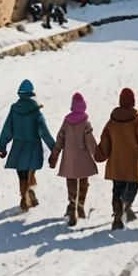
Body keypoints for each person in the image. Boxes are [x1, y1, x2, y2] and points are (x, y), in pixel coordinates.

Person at [95, 87, 138, 230]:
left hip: (116, 164)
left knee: (117, 190)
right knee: (132, 187)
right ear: (132, 102)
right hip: (132, 164)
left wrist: (100, 154)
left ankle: (118, 216)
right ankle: (126, 206)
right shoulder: (136, 122)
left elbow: (105, 144)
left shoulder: (111, 123)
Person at [0, 79, 56, 211]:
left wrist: (2, 147)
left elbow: (7, 129)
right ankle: (30, 191)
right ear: (32, 93)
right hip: (33, 148)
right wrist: (54, 148)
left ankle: (25, 196)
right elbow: (44, 132)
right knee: (31, 171)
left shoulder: (14, 109)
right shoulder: (36, 110)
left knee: (22, 175)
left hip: (19, 148)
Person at [49, 92, 99, 226]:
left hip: (69, 159)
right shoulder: (85, 122)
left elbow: (60, 138)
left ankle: (72, 206)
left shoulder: (67, 122)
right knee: (83, 182)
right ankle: (80, 206)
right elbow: (90, 141)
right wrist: (97, 154)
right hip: (83, 159)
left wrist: (55, 153)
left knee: (71, 183)